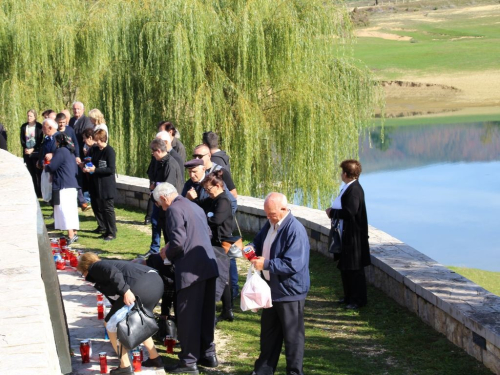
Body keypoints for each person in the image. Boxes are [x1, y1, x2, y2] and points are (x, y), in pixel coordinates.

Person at [153, 182, 219, 375]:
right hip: (208, 266)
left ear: (164, 198)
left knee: (188, 315)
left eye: (159, 203)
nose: (161, 207)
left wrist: (167, 254)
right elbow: (207, 233)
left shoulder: (174, 209)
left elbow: (178, 242)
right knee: (206, 314)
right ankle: (208, 354)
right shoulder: (195, 206)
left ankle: (189, 361)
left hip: (191, 270)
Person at [247, 192, 310, 375]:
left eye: (272, 214)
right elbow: (258, 241)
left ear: (284, 209)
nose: (268, 217)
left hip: (290, 291)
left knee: (293, 338)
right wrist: (251, 248)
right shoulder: (271, 223)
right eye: (267, 213)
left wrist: (265, 264)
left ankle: (294, 372)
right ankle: (263, 371)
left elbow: (293, 263)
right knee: (269, 335)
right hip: (271, 289)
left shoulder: (295, 230)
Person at [77, 252, 164, 374]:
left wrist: (126, 291)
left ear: (84, 267)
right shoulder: (102, 269)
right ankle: (155, 358)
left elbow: (113, 272)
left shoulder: (95, 266)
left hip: (141, 284)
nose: (83, 276)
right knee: (138, 321)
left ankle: (125, 366)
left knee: (110, 323)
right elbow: (114, 296)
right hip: (155, 283)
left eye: (82, 273)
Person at [325, 159, 370, 310]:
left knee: (354, 269)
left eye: (341, 172)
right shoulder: (349, 187)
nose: (340, 174)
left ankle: (357, 300)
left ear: (345, 174)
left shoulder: (355, 190)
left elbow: (350, 211)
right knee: (345, 267)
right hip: (346, 235)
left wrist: (332, 213)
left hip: (353, 237)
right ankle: (349, 296)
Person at [202, 170, 235, 323]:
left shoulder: (223, 200)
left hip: (222, 243)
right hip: (215, 242)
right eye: (206, 190)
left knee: (222, 277)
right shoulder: (213, 199)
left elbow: (216, 219)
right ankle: (227, 310)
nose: (208, 193)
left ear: (218, 186)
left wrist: (205, 218)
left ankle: (225, 309)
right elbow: (202, 208)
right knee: (223, 276)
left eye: (209, 189)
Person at [146, 138, 183, 256]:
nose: (153, 155)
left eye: (153, 152)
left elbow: (168, 187)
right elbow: (152, 174)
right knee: (157, 223)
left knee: (168, 229)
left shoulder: (170, 164)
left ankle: (170, 255)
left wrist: (155, 195)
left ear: (158, 151)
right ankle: (156, 250)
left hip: (167, 203)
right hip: (159, 201)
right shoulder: (159, 161)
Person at [44, 133, 80, 243]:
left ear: (59, 141)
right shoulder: (71, 152)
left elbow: (53, 166)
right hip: (72, 184)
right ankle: (74, 233)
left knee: (65, 210)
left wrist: (46, 166)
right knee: (71, 210)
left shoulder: (61, 151)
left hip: (63, 185)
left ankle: (70, 235)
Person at [83, 129, 117, 241]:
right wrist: (87, 167)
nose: (96, 142)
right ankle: (106, 230)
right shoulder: (95, 150)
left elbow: (111, 169)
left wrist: (95, 170)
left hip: (107, 185)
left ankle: (112, 232)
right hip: (97, 184)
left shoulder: (109, 151)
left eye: (97, 140)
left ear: (102, 139)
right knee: (101, 208)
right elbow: (91, 162)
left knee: (108, 209)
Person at [68, 101, 93, 210]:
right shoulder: (72, 120)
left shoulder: (86, 121)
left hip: (83, 152)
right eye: (74, 109)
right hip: (73, 152)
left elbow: (87, 135)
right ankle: (80, 198)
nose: (76, 111)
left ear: (83, 110)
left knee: (84, 176)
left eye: (78, 109)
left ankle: (85, 198)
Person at [20, 109, 43, 197]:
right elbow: (22, 139)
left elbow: (40, 139)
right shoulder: (24, 126)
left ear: (35, 117)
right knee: (30, 172)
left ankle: (39, 192)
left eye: (31, 116)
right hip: (27, 151)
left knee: (37, 172)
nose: (29, 118)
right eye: (28, 116)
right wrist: (25, 148)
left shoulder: (38, 127)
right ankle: (33, 191)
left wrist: (33, 149)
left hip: (36, 152)